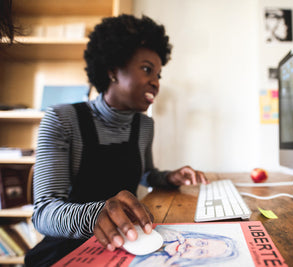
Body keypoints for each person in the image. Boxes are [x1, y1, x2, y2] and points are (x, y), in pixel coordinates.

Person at [25, 14, 208, 267]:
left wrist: (167, 177)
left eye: (158, 74)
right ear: (112, 69)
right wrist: (94, 215)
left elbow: (147, 175)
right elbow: (43, 213)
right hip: (68, 249)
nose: (156, 82)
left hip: (129, 244)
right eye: (147, 69)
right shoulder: (61, 119)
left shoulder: (144, 125)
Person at [130, 226, 238, 266]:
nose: (190, 247)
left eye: (200, 252)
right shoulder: (164, 233)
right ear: (196, 236)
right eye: (200, 243)